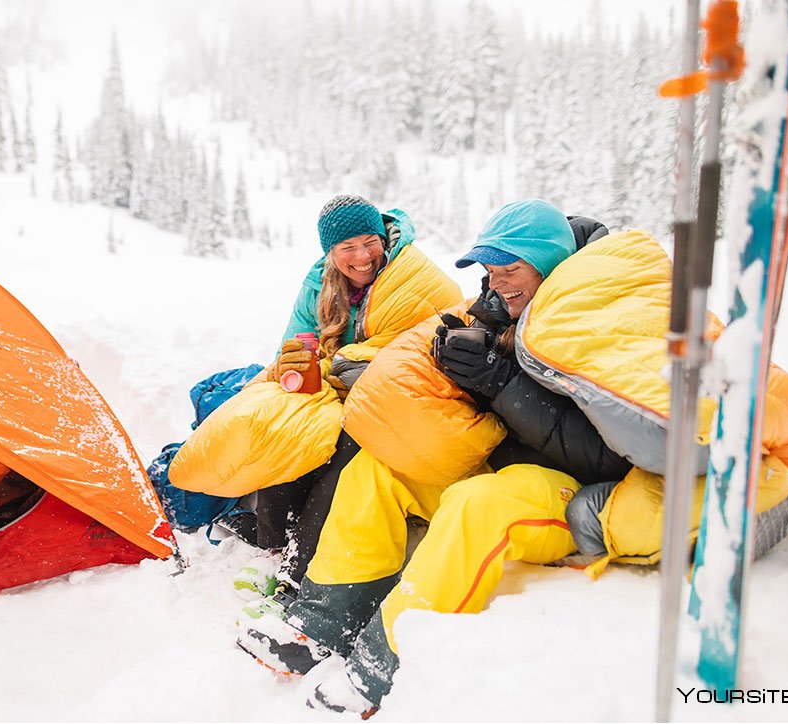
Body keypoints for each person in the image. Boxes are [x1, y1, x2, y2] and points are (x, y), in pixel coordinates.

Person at [236, 199, 634, 713]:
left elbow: (606, 455)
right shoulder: (502, 306)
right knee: (377, 469)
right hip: (504, 459)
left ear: (548, 263)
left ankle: (382, 661)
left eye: (509, 271)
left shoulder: (592, 319)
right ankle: (320, 622)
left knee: (476, 503)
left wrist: (498, 379)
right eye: (490, 273)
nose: (498, 284)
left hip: (571, 489)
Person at [236, 194, 462, 605]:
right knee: (287, 427)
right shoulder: (318, 284)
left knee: (345, 451)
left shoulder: (412, 274)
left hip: (389, 399)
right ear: (330, 252)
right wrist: (298, 368)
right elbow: (293, 345)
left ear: (383, 238)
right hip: (335, 389)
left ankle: (296, 567)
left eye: (369, 242)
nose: (362, 257)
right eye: (347, 248)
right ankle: (274, 544)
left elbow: (434, 339)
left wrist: (356, 365)